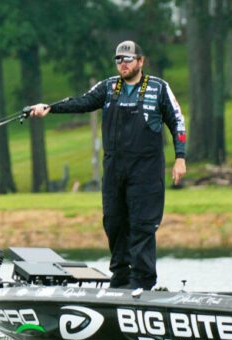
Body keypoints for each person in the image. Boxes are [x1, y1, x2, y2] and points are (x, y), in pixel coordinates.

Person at [28, 40, 186, 290]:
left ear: (140, 61)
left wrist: (180, 157)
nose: (122, 64)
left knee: (142, 224)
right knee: (114, 222)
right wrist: (50, 108)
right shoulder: (108, 87)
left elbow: (177, 121)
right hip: (114, 169)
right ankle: (121, 277)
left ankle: (142, 281)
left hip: (146, 170)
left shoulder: (159, 88)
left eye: (128, 59)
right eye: (118, 60)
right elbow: (83, 101)